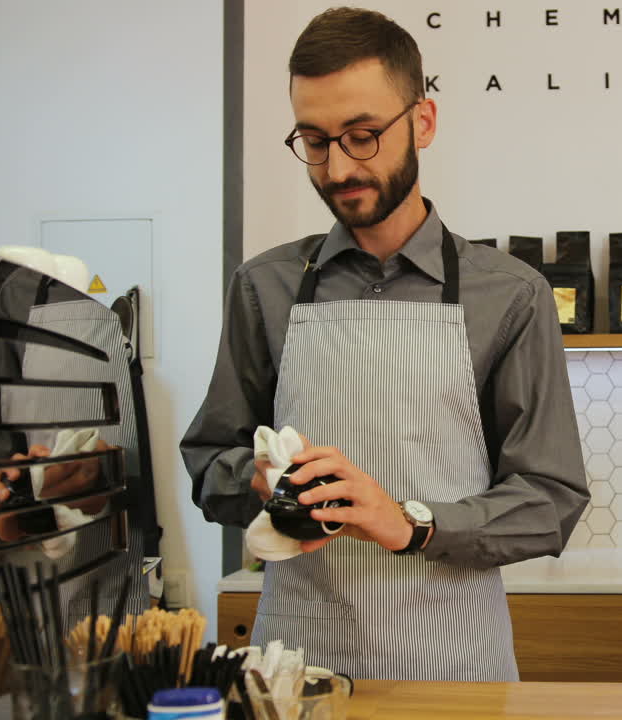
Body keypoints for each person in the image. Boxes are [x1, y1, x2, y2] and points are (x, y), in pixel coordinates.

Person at [181, 7, 588, 681]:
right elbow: (207, 462)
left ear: (422, 122)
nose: (338, 166)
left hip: (456, 661)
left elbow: (551, 498)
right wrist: (251, 478)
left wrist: (409, 523)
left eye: (362, 136)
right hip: (297, 661)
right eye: (314, 141)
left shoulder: (510, 295)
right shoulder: (265, 286)